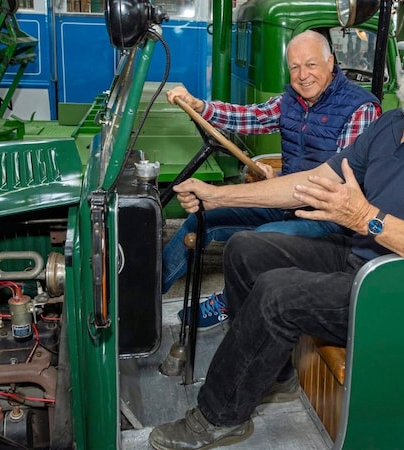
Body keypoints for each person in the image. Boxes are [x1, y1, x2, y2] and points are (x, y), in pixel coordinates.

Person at [149, 14, 404, 450]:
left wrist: (367, 219)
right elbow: (312, 181)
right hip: (359, 258)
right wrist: (217, 197)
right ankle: (273, 374)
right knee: (245, 249)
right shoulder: (392, 124)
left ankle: (219, 416)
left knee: (278, 292)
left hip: (403, 287)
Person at [162, 30, 381, 329]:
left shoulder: (360, 108)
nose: (302, 75)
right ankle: (146, 293)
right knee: (201, 216)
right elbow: (250, 117)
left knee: (259, 239)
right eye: (294, 67)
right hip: (285, 199)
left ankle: (230, 303)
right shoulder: (291, 100)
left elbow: (338, 186)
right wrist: (201, 107)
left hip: (329, 218)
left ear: (331, 63)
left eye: (311, 65)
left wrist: (270, 187)